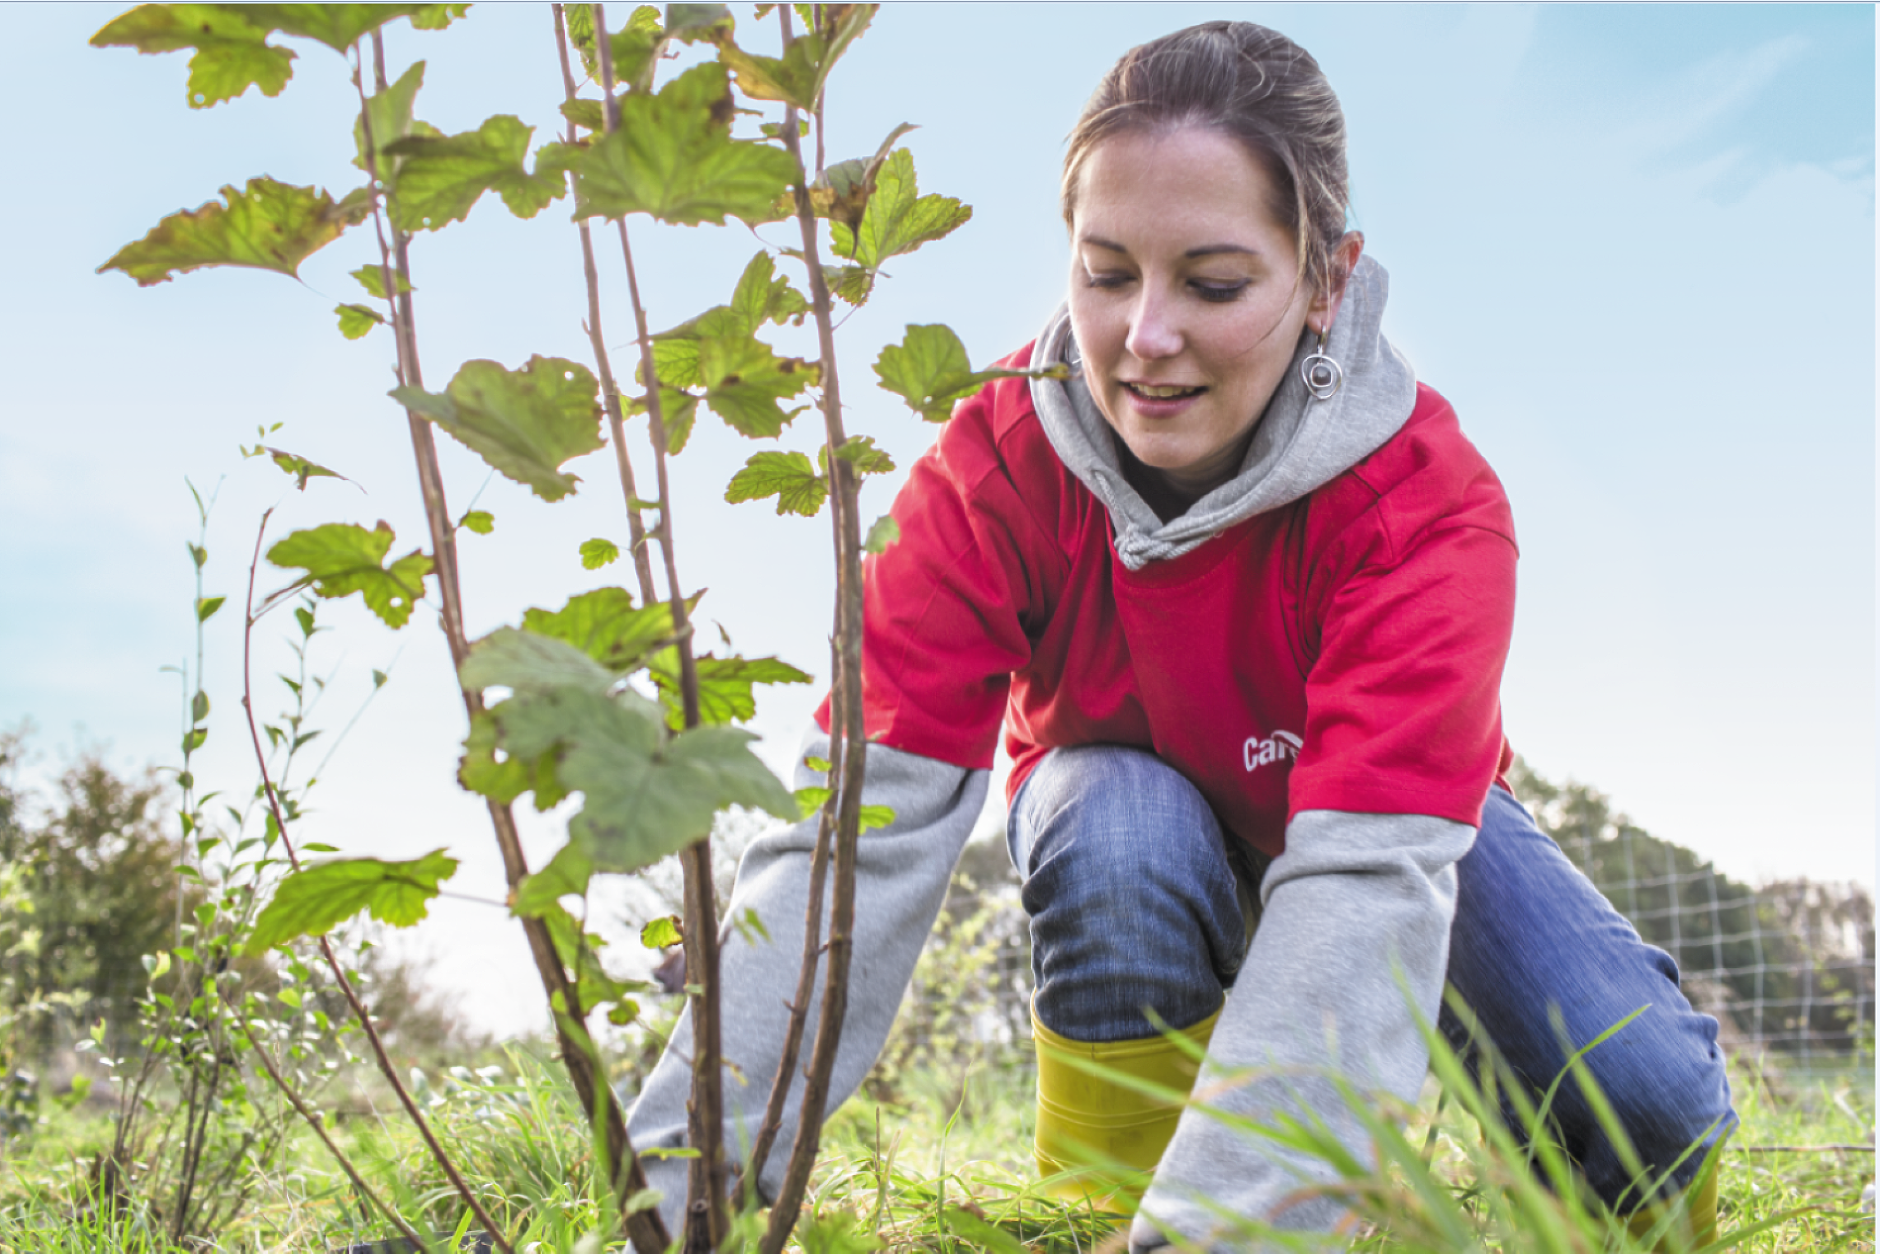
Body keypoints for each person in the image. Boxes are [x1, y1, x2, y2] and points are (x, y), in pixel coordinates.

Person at [628, 21, 1736, 1252]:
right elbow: (850, 840)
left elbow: (1368, 891)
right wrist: (669, 1210)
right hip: (1125, 835)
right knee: (1115, 820)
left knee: (1644, 1099)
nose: (1144, 338)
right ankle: (1093, 1213)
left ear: (1324, 278)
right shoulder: (991, 465)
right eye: (1105, 274)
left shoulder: (1423, 503)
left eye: (1211, 285)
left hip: (1379, 840)